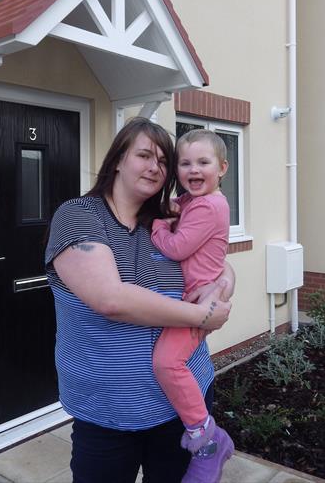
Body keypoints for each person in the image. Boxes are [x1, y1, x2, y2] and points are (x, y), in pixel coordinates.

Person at [45, 117, 234, 483]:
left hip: (181, 409)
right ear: (117, 159)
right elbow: (110, 298)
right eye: (145, 155)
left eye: (164, 161)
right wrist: (200, 315)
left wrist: (221, 287)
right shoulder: (78, 216)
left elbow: (220, 263)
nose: (155, 167)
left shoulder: (166, 220)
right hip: (108, 414)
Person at [150, 129, 235, 483]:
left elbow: (177, 247)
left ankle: (206, 436)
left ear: (223, 168)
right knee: (170, 361)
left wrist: (156, 224)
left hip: (197, 302)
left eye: (203, 162)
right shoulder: (193, 202)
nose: (193, 169)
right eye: (185, 163)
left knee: (167, 362)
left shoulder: (209, 205)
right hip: (197, 297)